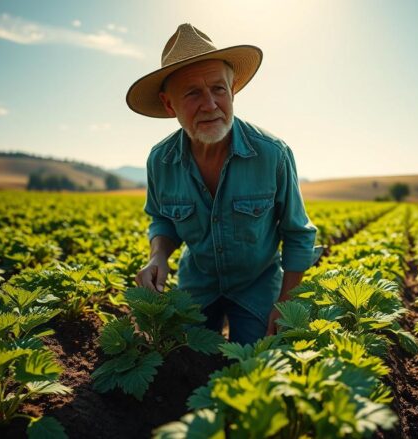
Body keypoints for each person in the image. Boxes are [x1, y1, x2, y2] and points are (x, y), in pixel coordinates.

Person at [128, 23, 318, 345]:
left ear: (232, 91)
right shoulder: (160, 161)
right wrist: (158, 255)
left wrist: (285, 304)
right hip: (197, 282)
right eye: (192, 93)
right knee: (182, 358)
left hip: (257, 284)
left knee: (258, 358)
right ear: (169, 104)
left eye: (218, 89)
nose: (210, 104)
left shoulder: (272, 154)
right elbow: (162, 219)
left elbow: (298, 235)